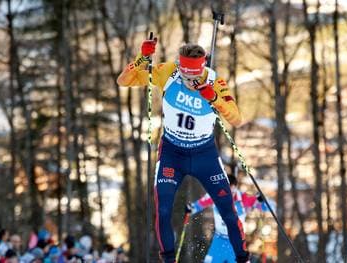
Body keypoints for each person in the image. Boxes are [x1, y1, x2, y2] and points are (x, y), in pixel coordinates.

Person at [117, 38, 247, 262]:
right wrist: (141, 59)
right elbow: (124, 81)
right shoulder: (168, 72)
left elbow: (236, 118)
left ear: (202, 69)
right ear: (180, 68)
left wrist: (214, 98)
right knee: (164, 210)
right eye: (186, 77)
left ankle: (243, 258)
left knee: (228, 210)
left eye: (195, 78)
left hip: (204, 155)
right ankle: (168, 259)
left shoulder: (215, 82)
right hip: (172, 154)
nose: (190, 82)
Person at [186, 174, 275, 263]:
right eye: (227, 190)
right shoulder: (215, 195)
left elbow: (268, 207)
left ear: (236, 187)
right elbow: (198, 205)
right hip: (219, 240)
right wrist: (190, 209)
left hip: (237, 242)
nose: (229, 194)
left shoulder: (243, 198)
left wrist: (262, 200)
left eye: (232, 190)